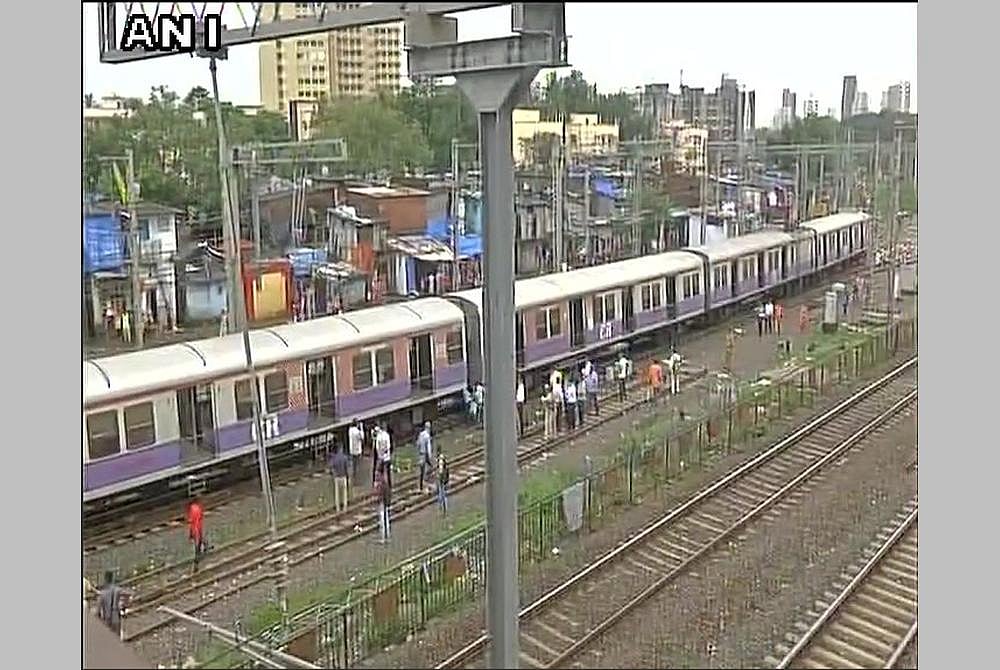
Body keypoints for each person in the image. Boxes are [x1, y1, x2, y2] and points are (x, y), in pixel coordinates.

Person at [97, 571, 127, 636]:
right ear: (112, 578)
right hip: (116, 617)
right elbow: (124, 603)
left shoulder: (102, 593)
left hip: (106, 619)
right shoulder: (119, 590)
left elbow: (98, 610)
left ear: (105, 579)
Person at [329, 444, 350, 513]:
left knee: (337, 493)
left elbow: (331, 467)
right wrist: (347, 476)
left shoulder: (334, 458)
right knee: (344, 493)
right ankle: (345, 507)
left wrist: (333, 473)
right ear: (341, 449)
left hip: (337, 477)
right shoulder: (345, 457)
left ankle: (338, 508)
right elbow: (347, 468)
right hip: (343, 476)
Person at [374, 464, 392, 543]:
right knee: (385, 519)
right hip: (384, 502)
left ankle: (383, 537)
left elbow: (381, 494)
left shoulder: (382, 483)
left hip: (383, 503)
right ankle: (386, 536)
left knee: (383, 520)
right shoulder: (384, 482)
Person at [186, 497, 205, 569]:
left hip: (195, 527)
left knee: (196, 542)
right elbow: (200, 516)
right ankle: (199, 553)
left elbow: (191, 520)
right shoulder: (198, 508)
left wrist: (190, 534)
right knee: (199, 539)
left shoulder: (192, 508)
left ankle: (197, 557)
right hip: (199, 526)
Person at [417, 421, 434, 492]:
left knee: (421, 471)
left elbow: (418, 444)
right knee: (428, 469)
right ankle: (427, 483)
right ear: (428, 428)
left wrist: (419, 451)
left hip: (421, 454)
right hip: (425, 454)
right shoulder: (427, 436)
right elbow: (429, 447)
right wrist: (430, 456)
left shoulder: (421, 434)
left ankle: (420, 486)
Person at [375, 424, 393, 489]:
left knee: (380, 472)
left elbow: (377, 447)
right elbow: (388, 446)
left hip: (380, 458)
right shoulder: (387, 435)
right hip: (387, 457)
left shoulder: (378, 437)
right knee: (388, 473)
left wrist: (380, 454)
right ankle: (389, 485)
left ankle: (382, 486)